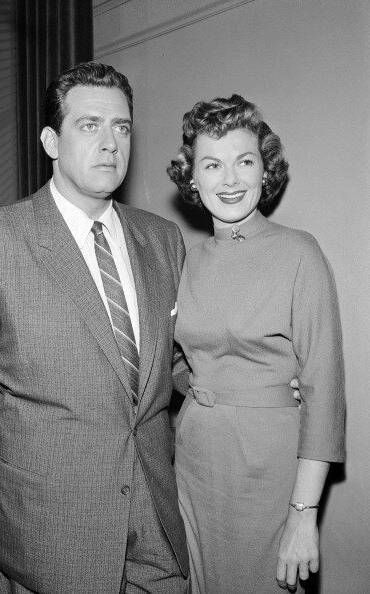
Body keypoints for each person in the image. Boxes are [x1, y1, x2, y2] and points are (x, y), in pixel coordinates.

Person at [0, 62, 190, 593]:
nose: (111, 143)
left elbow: (175, 365)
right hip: (47, 547)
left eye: (122, 127)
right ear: (51, 140)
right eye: (90, 125)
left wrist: (256, 382)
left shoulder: (163, 240)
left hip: (159, 535)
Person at [167, 94, 345, 593]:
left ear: (265, 172)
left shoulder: (298, 253)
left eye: (244, 162)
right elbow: (176, 362)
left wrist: (303, 515)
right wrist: (207, 386)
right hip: (196, 461)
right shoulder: (184, 261)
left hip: (271, 467)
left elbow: (324, 395)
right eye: (212, 165)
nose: (230, 180)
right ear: (192, 180)